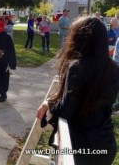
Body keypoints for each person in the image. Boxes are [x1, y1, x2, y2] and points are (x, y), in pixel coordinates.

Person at [36, 16, 119, 165]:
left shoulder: (78, 67)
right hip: (106, 143)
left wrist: (48, 103)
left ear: (79, 39)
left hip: (80, 148)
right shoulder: (113, 68)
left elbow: (66, 110)